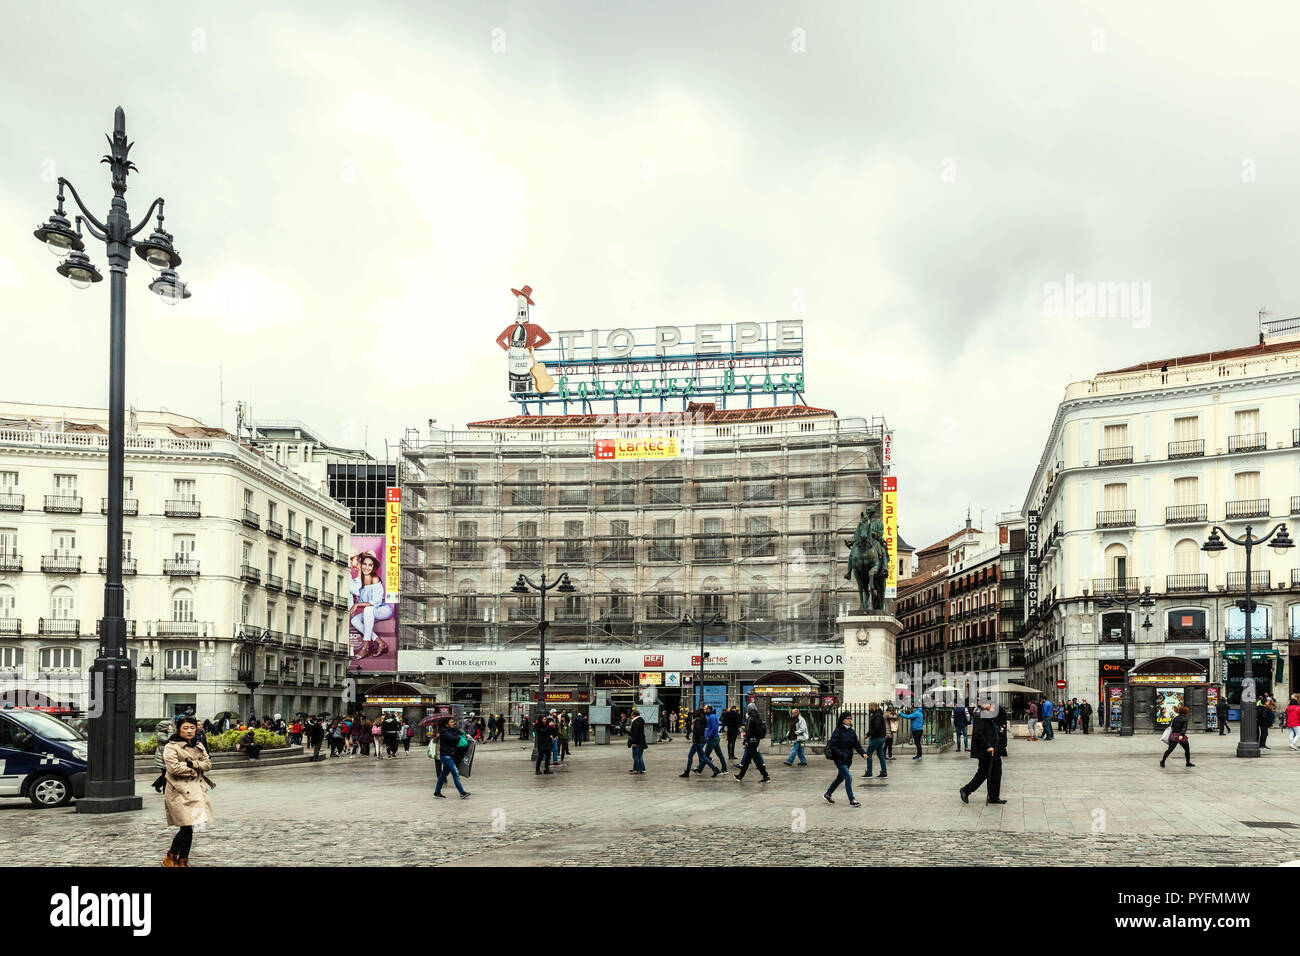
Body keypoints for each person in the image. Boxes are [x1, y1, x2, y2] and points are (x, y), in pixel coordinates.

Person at [161, 715, 214, 867]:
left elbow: (208, 765)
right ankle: (170, 857)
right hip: (179, 791)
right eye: (185, 728)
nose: (189, 731)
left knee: (190, 826)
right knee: (186, 827)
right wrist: (196, 767)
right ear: (179, 729)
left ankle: (183, 860)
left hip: (196, 791)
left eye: (192, 727)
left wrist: (191, 763)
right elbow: (174, 769)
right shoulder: (171, 746)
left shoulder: (198, 745)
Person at [349, 551, 394, 660]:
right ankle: (380, 642)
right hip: (369, 611)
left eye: (370, 565)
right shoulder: (360, 581)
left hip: (382, 610)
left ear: (373, 567)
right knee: (354, 620)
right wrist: (356, 601)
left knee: (368, 609)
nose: (367, 567)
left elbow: (376, 602)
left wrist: (358, 605)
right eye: (364, 564)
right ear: (360, 564)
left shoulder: (375, 579)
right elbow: (356, 592)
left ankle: (366, 645)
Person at [959, 702, 1006, 804]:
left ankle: (994, 796)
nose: (994, 707)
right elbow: (978, 735)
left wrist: (999, 732)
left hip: (995, 750)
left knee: (996, 773)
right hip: (986, 751)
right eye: (992, 705)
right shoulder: (980, 717)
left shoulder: (991, 717)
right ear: (985, 706)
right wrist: (987, 746)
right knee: (983, 773)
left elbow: (992, 731)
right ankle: (965, 790)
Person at [823, 711, 866, 806]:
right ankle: (852, 800)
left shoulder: (851, 731)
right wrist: (841, 754)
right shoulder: (838, 730)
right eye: (847, 718)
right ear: (843, 720)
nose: (849, 720)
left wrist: (863, 753)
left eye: (850, 718)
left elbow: (856, 744)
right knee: (848, 777)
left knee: (839, 778)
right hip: (839, 759)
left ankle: (828, 794)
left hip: (848, 759)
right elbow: (833, 745)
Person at [433, 716, 470, 799]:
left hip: (451, 755)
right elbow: (452, 738)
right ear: (446, 724)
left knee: (443, 775)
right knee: (455, 773)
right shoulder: (444, 732)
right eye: (451, 722)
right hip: (446, 756)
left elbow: (459, 733)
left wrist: (461, 733)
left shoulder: (452, 730)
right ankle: (462, 792)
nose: (453, 723)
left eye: (453, 722)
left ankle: (437, 792)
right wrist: (459, 737)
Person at [734, 703, 770, 783]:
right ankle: (740, 776)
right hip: (756, 740)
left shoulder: (751, 718)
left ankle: (765, 776)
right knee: (747, 760)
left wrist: (746, 741)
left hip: (751, 741)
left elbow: (749, 731)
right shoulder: (758, 717)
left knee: (756, 760)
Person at [682, 708, 721, 778]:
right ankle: (687, 772)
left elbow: (698, 732)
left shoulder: (697, 721)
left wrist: (696, 740)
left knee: (703, 757)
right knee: (691, 755)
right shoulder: (703, 720)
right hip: (699, 741)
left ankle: (715, 769)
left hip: (698, 742)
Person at [1160, 704, 1194, 768]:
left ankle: (1162, 761)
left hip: (1173, 735)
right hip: (1180, 735)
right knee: (1187, 750)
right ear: (1186, 712)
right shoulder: (1185, 719)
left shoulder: (1175, 718)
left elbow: (1172, 726)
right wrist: (1181, 734)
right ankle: (1188, 763)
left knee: (1169, 750)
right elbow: (1184, 728)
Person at [862, 701, 888, 778]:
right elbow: (875, 727)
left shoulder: (876, 715)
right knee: (881, 755)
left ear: (873, 706)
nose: (868, 708)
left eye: (869, 706)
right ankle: (884, 772)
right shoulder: (878, 713)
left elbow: (877, 727)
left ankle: (869, 772)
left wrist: (871, 734)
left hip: (877, 738)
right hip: (881, 737)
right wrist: (868, 734)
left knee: (868, 754)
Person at [702, 705, 729, 773]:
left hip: (712, 739)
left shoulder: (711, 717)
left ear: (708, 709)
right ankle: (724, 769)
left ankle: (699, 768)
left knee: (705, 755)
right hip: (715, 738)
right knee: (719, 754)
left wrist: (708, 736)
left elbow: (714, 728)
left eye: (705, 709)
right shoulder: (711, 716)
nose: (704, 710)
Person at [628, 708, 647, 774]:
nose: (631, 716)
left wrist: (633, 742)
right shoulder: (640, 721)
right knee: (639, 756)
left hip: (637, 742)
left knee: (635, 756)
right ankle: (641, 769)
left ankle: (638, 769)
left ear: (634, 715)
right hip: (642, 741)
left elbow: (635, 734)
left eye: (632, 715)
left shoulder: (635, 722)